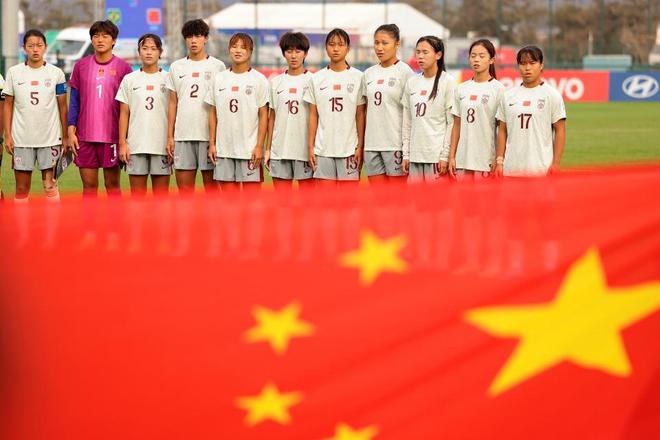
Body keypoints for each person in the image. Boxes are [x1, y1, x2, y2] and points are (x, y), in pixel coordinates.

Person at [68, 20, 132, 197]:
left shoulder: (124, 68)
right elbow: (74, 101)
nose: (100, 40)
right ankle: (90, 218)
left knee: (112, 186)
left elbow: (128, 107)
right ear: (91, 40)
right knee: (89, 187)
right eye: (96, 36)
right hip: (85, 137)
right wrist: (71, 131)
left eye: (105, 36)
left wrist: (125, 138)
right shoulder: (81, 66)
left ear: (114, 40)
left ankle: (114, 217)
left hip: (112, 136)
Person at [3, 29, 68, 201]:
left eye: (39, 45)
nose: (35, 49)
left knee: (50, 186)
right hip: (22, 140)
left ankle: (54, 220)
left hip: (50, 140)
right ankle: (21, 220)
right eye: (30, 46)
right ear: (24, 48)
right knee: (21, 188)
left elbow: (63, 107)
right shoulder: (14, 72)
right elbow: (8, 104)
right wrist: (8, 135)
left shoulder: (56, 73)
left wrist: (66, 136)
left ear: (45, 47)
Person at [166, 19, 226, 193]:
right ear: (185, 39)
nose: (193, 40)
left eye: (198, 36)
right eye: (189, 36)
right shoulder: (176, 67)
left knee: (212, 191)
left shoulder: (218, 66)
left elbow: (220, 104)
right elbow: (172, 103)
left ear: (206, 38)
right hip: (183, 135)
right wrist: (170, 136)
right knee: (185, 192)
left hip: (209, 137)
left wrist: (217, 139)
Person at [206, 33, 269, 190]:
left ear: (250, 51)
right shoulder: (219, 78)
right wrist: (212, 144)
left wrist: (259, 146)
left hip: (249, 151)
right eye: (234, 46)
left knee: (251, 200)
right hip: (224, 150)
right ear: (229, 50)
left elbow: (264, 115)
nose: (238, 50)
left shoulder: (259, 79)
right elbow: (212, 112)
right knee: (229, 200)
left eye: (243, 47)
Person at [304, 28, 366, 185]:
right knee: (326, 199)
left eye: (340, 44)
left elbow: (360, 114)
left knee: (348, 199)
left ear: (348, 48)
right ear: (326, 48)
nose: (336, 49)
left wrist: (360, 146)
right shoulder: (316, 78)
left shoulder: (359, 77)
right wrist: (310, 147)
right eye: (332, 44)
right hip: (323, 150)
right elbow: (313, 115)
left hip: (349, 150)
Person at [494, 45, 566, 176]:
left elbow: (560, 130)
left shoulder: (552, 95)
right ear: (518, 66)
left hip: (541, 170)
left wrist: (556, 163)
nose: (527, 68)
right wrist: (499, 161)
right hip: (512, 170)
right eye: (523, 63)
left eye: (532, 63)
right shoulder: (508, 96)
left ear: (541, 65)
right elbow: (502, 130)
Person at [116, 34, 171, 196]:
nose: (148, 52)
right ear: (139, 52)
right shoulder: (129, 79)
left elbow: (174, 111)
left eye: (153, 49)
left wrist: (171, 140)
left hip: (161, 146)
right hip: (136, 146)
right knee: (137, 198)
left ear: (160, 52)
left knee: (161, 198)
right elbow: (124, 113)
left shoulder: (168, 79)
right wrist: (123, 143)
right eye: (145, 48)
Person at [363, 24, 414, 183]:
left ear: (397, 44)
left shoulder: (405, 72)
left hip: (395, 145)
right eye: (376, 43)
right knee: (378, 196)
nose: (379, 48)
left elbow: (410, 114)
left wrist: (407, 148)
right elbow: (364, 110)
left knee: (396, 196)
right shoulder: (368, 74)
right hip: (371, 145)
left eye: (385, 43)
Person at [402, 36, 456, 182]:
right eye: (418, 52)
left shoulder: (448, 82)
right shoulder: (412, 82)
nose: (420, 56)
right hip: (415, 157)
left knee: (436, 197)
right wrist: (406, 154)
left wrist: (445, 156)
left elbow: (451, 123)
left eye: (425, 52)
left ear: (438, 55)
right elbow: (407, 122)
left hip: (436, 157)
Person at [448, 39, 504, 179]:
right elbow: (456, 125)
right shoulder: (461, 88)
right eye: (473, 56)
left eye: (481, 56)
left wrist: (498, 159)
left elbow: (502, 129)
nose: (476, 59)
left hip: (486, 161)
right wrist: (452, 156)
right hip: (462, 160)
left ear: (492, 60)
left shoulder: (499, 89)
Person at [265, 32, 314, 189]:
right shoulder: (275, 82)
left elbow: (316, 116)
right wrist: (268, 149)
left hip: (305, 152)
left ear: (305, 53)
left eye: (298, 51)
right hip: (280, 150)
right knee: (281, 200)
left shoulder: (313, 80)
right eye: (289, 51)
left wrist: (313, 148)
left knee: (307, 200)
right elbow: (272, 117)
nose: (293, 56)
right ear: (283, 53)